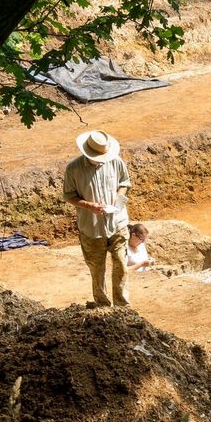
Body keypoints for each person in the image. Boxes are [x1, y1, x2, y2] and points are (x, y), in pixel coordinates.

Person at [63, 130, 132, 307]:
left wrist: (118, 198)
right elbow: (69, 196)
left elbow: (125, 183)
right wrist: (89, 206)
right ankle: (102, 306)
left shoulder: (115, 161)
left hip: (117, 223)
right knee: (97, 269)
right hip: (91, 228)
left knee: (121, 264)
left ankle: (122, 305)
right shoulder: (73, 169)